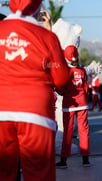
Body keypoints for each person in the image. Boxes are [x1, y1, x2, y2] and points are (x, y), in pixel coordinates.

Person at [0, 0, 71, 180]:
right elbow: (61, 78)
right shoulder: (47, 36)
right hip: (35, 111)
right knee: (38, 173)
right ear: (38, 7)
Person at [55, 45, 90, 168]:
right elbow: (86, 88)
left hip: (69, 104)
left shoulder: (65, 71)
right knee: (84, 131)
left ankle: (64, 161)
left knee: (68, 132)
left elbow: (62, 90)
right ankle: (86, 160)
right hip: (82, 103)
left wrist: (56, 88)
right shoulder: (82, 70)